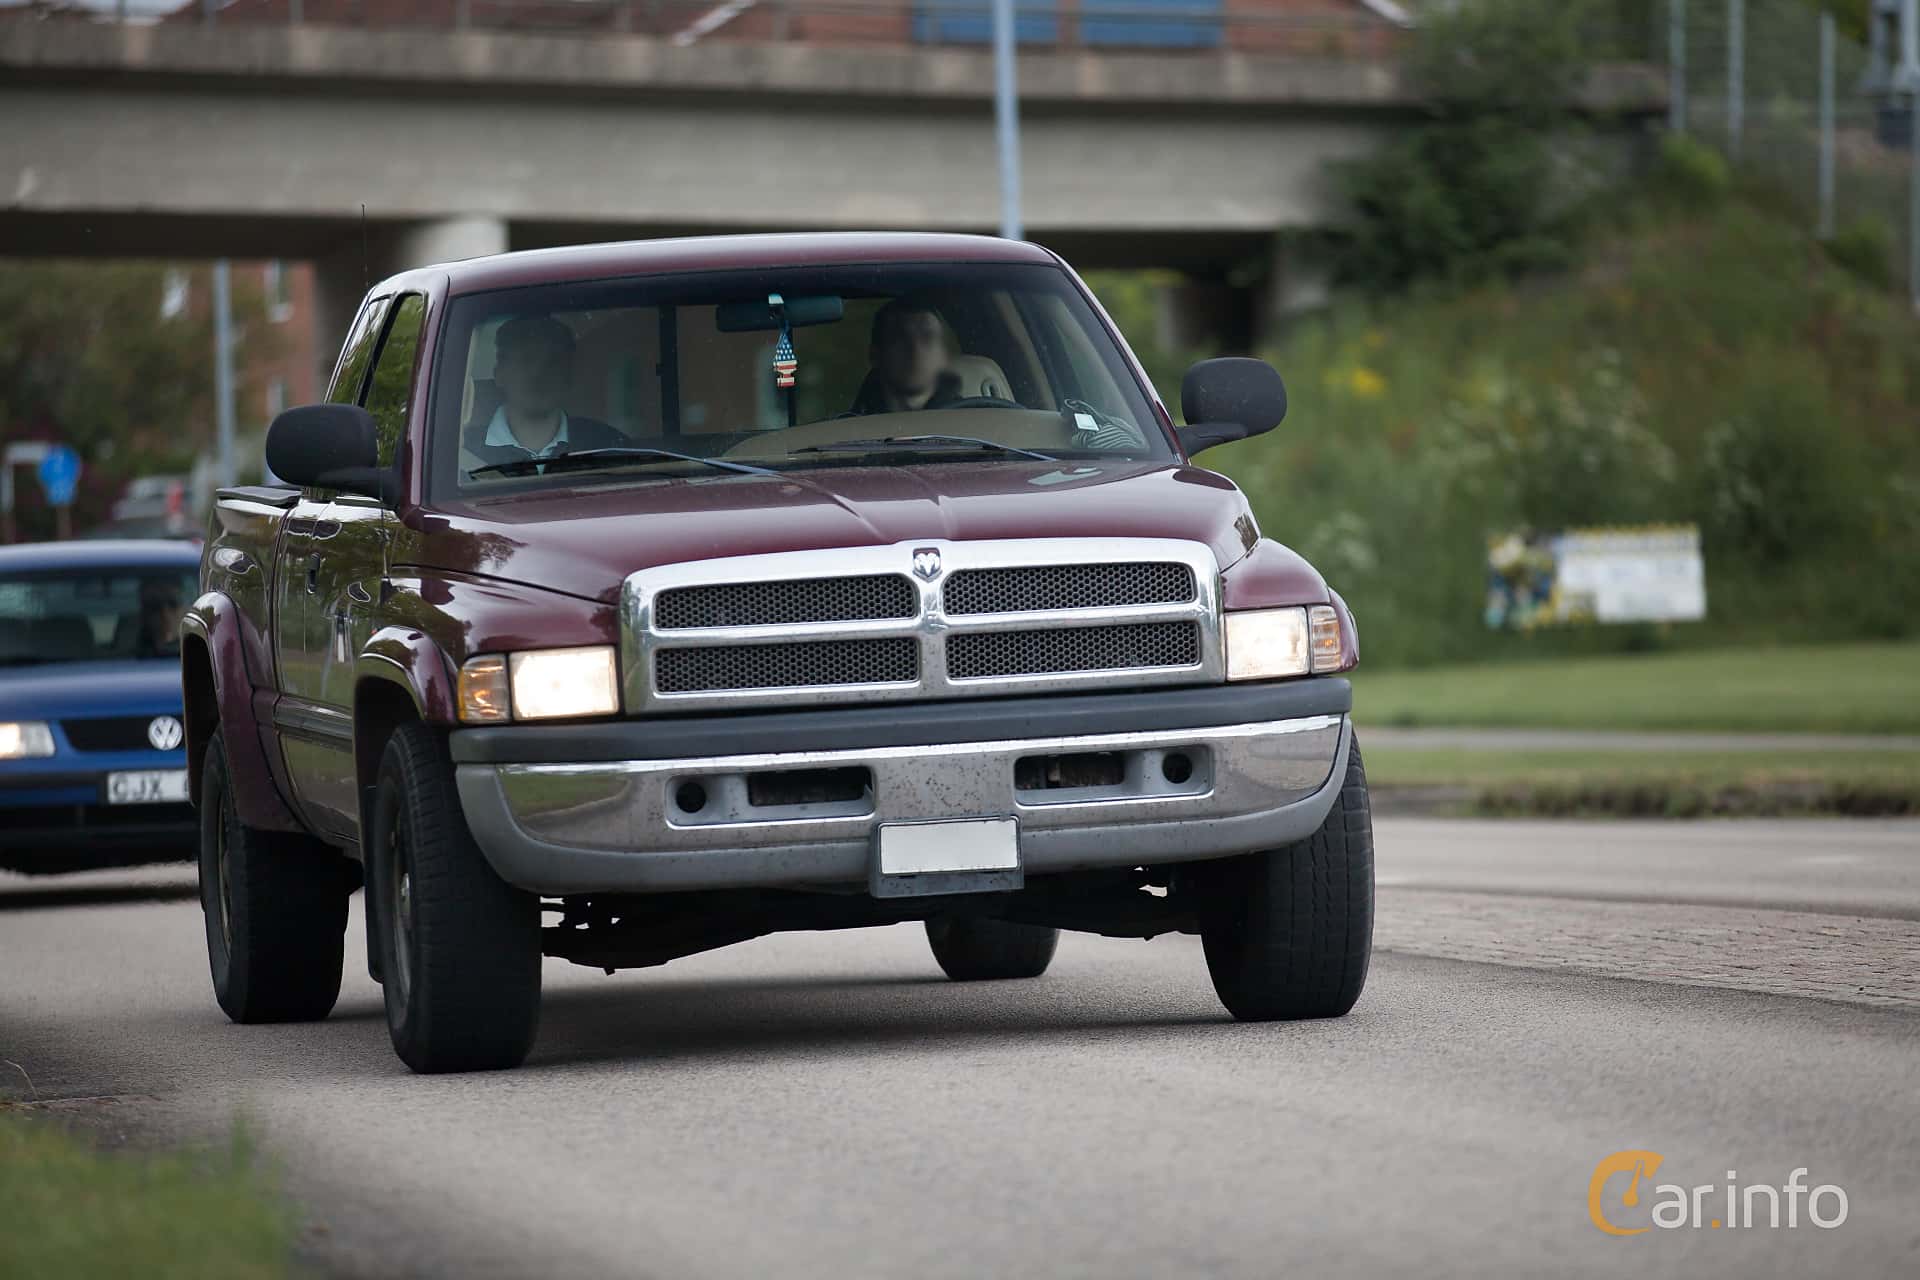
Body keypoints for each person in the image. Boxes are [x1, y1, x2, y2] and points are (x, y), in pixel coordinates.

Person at [463, 314, 625, 469]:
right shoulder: (462, 451)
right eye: (526, 360)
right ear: (499, 374)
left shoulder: (608, 447)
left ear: (568, 375)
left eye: (552, 362)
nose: (538, 373)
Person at [848, 295, 965, 415]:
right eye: (900, 337)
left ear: (944, 355)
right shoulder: (850, 424)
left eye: (927, 337)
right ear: (875, 355)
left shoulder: (967, 418)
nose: (915, 349)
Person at [134, 578, 183, 659]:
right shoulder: (124, 659)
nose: (165, 615)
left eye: (173, 604)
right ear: (144, 615)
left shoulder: (199, 655)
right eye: (155, 607)